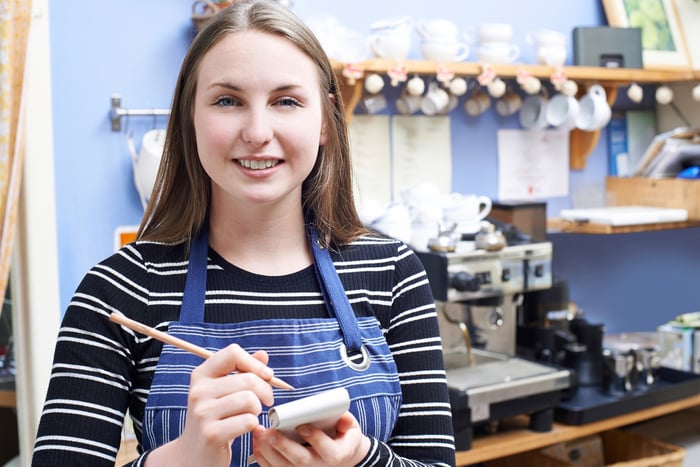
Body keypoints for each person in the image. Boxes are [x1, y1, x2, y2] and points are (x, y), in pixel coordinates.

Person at [32, 1, 456, 466]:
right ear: (190, 117)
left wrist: (360, 460)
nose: (257, 132)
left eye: (287, 101)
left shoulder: (393, 275)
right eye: (227, 101)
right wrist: (184, 458)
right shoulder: (117, 292)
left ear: (325, 122)